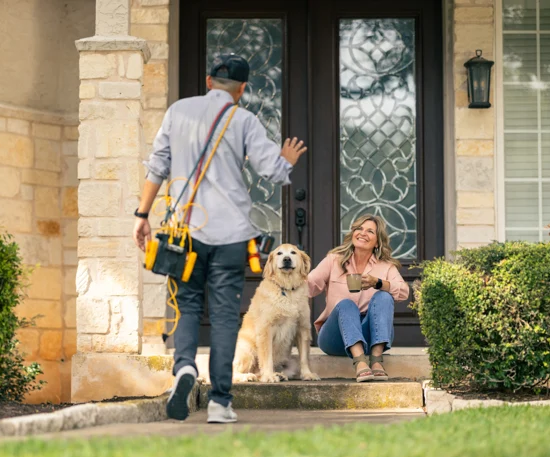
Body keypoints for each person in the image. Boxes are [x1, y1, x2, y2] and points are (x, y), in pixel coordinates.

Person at [134, 54, 307, 423]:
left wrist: (142, 214)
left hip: (186, 233)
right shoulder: (244, 119)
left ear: (209, 80)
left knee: (187, 303)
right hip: (231, 236)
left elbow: (157, 164)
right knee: (227, 314)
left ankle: (184, 368)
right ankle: (220, 401)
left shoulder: (178, 111)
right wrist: (287, 157)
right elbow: (271, 170)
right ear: (242, 90)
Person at [307, 215, 410, 382]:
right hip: (335, 337)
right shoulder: (334, 260)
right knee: (346, 304)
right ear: (353, 233)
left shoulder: (386, 267)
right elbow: (309, 285)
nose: (363, 233)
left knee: (384, 295)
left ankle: (376, 361)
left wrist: (377, 283)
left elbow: (404, 292)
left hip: (372, 336)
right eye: (359, 229)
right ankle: (360, 362)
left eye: (370, 231)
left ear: (377, 242)